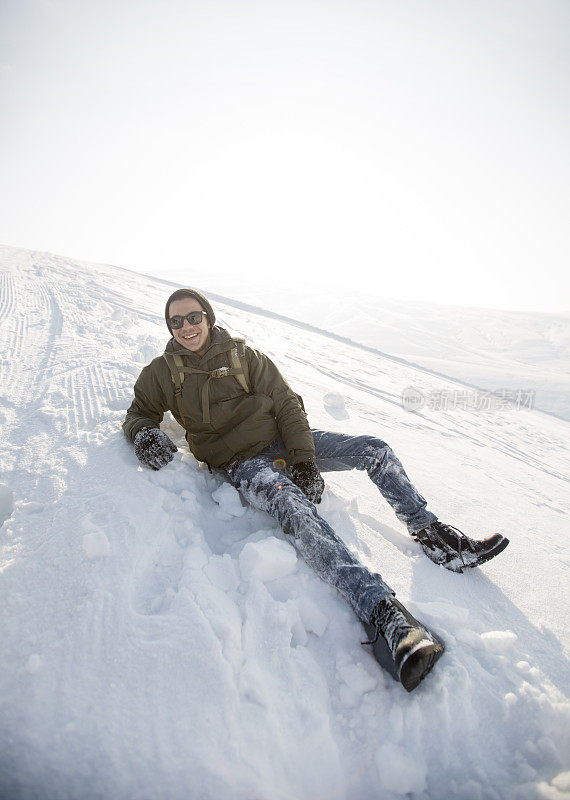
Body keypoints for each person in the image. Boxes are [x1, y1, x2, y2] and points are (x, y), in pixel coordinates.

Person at [123, 288, 509, 692]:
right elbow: (137, 413)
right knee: (295, 509)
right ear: (169, 327)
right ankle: (383, 614)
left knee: (374, 450)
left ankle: (431, 533)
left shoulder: (242, 355)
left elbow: (287, 403)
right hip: (243, 462)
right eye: (176, 321)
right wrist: (144, 433)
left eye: (193, 317)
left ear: (209, 317)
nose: (186, 327)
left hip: (282, 441)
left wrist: (304, 460)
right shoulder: (163, 372)